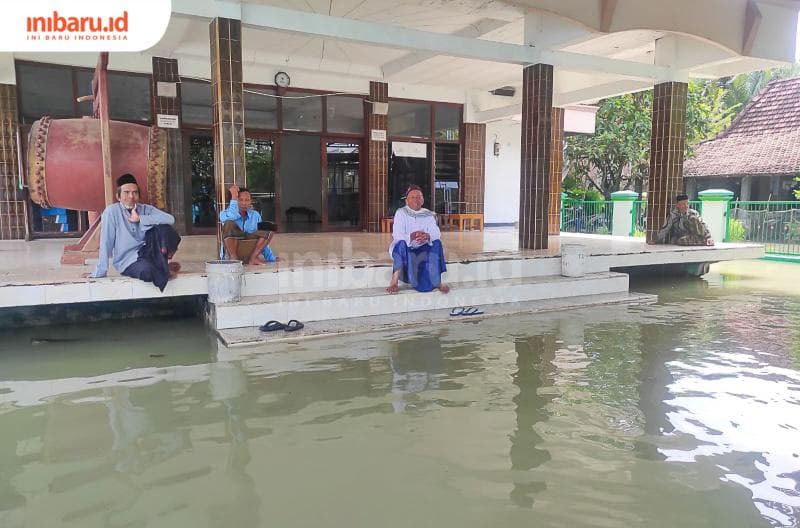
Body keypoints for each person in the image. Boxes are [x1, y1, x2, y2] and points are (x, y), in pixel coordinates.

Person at [91, 174, 181, 291]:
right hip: (127, 260)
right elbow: (106, 242)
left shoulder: (145, 209)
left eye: (135, 192)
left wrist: (141, 219)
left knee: (165, 229)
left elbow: (170, 219)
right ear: (118, 196)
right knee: (146, 272)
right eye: (126, 192)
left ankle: (162, 265)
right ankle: (163, 269)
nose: (131, 196)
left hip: (148, 253)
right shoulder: (111, 212)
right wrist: (100, 271)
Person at [387, 185, 449, 294]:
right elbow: (397, 234)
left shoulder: (428, 213)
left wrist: (427, 236)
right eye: (413, 197)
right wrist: (411, 236)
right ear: (406, 201)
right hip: (407, 247)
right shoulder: (401, 213)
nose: (416, 199)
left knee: (437, 243)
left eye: (419, 197)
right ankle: (394, 281)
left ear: (423, 200)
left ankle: (437, 281)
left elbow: (436, 233)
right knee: (400, 243)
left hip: (422, 247)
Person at [219, 185, 276, 266]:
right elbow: (232, 217)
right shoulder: (224, 213)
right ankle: (234, 259)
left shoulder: (255, 215)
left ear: (250, 201)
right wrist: (234, 196)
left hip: (249, 253)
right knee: (229, 223)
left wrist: (271, 258)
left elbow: (263, 238)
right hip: (233, 254)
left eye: (247, 200)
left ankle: (253, 258)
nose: (244, 203)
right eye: (240, 200)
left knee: (270, 226)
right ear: (235, 201)